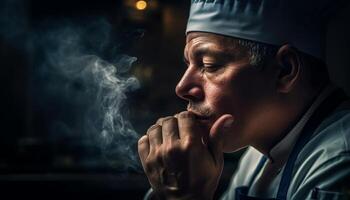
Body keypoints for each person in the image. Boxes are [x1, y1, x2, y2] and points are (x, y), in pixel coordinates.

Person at [138, 0, 350, 199]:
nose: (182, 87)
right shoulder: (255, 153)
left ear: (285, 71)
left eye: (209, 65)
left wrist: (185, 197)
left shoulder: (339, 163)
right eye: (189, 64)